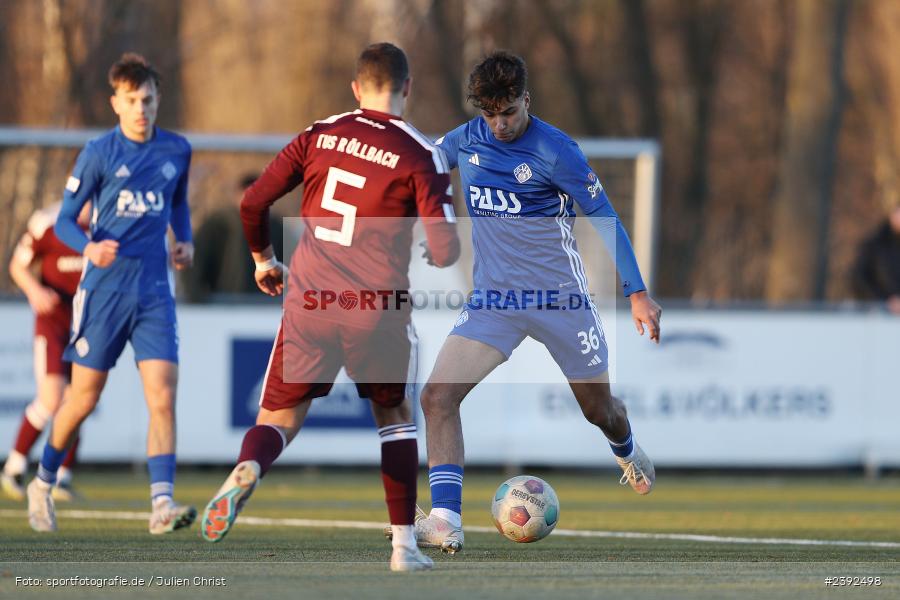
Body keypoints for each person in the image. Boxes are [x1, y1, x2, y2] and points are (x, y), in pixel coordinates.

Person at [199, 42, 459, 573]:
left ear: (356, 88)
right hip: (376, 309)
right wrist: (437, 250)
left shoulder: (320, 134)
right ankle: (403, 549)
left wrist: (263, 260)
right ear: (407, 88)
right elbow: (447, 246)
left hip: (310, 300)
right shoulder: (420, 153)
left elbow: (253, 201)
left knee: (279, 418)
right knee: (395, 419)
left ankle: (249, 467)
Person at [397, 51, 662, 554]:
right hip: (494, 302)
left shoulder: (556, 151)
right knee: (437, 397)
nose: (499, 125)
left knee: (599, 410)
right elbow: (416, 170)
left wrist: (638, 294)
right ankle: (446, 519)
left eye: (509, 112)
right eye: (490, 114)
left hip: (561, 301)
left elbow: (606, 217)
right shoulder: (465, 140)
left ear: (527, 100)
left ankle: (625, 447)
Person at [25, 53, 196, 535]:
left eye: (148, 100)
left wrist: (184, 240)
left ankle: (161, 505)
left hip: (154, 293)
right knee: (82, 398)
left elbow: (179, 203)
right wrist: (89, 247)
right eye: (132, 100)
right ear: (115, 103)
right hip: (104, 292)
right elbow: (65, 219)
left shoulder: (177, 150)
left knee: (163, 395)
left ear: (158, 100)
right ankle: (42, 481)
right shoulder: (99, 152)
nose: (142, 109)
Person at [1, 202, 90, 502]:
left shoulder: (106, 220)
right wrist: (35, 291)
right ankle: (14, 467)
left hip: (88, 325)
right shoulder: (49, 222)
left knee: (80, 400)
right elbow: (17, 266)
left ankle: (61, 477)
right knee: (52, 397)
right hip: (53, 323)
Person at [852, 201, 900, 314]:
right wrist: (886, 300)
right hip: (880, 312)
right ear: (893, 215)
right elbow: (860, 277)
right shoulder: (875, 244)